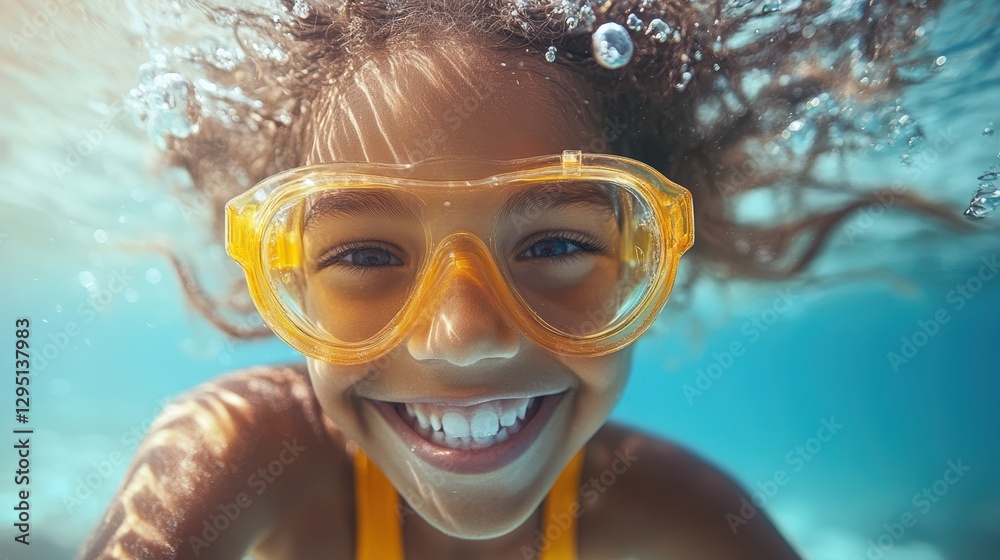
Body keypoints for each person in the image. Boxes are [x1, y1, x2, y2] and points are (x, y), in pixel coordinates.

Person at [82, 0, 947, 558]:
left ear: (645, 258)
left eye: (554, 246)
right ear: (286, 275)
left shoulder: (692, 523)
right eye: (367, 255)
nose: (465, 335)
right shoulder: (238, 453)